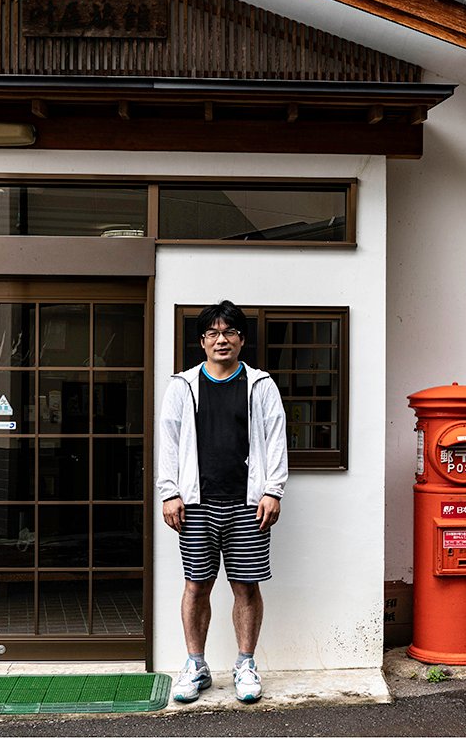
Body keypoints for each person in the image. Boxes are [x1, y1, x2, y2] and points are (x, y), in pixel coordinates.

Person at [156, 300, 288, 704]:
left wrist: (273, 490)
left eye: (229, 332)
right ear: (202, 341)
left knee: (246, 586)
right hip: (195, 504)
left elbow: (277, 438)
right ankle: (196, 666)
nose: (221, 339)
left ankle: (245, 665)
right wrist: (170, 492)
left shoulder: (260, 385)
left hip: (248, 505)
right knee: (196, 585)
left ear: (241, 339)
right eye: (212, 333)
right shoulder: (182, 386)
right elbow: (170, 442)